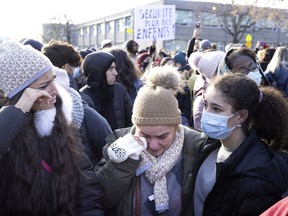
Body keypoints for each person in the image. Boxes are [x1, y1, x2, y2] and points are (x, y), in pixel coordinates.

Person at [94, 65, 218, 215]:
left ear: (176, 127)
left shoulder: (197, 146)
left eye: (162, 136)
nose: (153, 145)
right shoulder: (118, 142)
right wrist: (121, 165)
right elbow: (98, 199)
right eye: (144, 135)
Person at [0, 41, 103, 215]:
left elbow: (87, 189)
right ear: (18, 95)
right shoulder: (7, 135)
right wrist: (17, 111)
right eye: (43, 86)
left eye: (53, 79)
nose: (55, 90)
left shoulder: (63, 123)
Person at [188, 73, 288, 216]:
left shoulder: (258, 178)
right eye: (205, 105)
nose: (206, 114)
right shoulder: (208, 146)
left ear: (241, 116)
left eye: (216, 109)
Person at [80, 51, 133, 131]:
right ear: (98, 71)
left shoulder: (119, 90)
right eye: (110, 69)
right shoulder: (83, 98)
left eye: (115, 68)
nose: (115, 73)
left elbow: (131, 120)